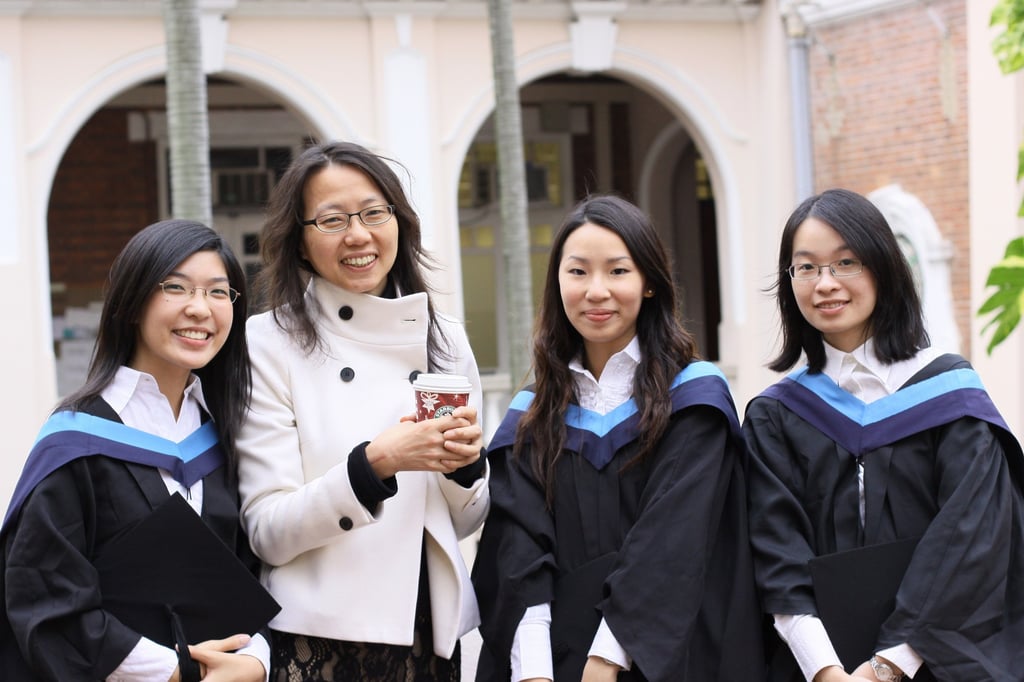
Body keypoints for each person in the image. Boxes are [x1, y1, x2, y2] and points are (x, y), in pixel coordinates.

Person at [472, 194, 765, 682]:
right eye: (578, 272)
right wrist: (535, 671)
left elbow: (672, 541)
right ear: (557, 283)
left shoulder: (693, 399)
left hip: (667, 660)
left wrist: (605, 661)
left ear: (649, 282)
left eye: (618, 271)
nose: (596, 291)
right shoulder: (532, 414)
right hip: (555, 660)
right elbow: (517, 551)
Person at [743, 188, 1024, 682]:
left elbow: (971, 539)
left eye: (845, 262)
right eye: (805, 267)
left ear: (883, 267)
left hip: (937, 662)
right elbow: (776, 553)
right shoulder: (776, 415)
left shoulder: (948, 395)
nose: (824, 283)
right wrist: (826, 670)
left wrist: (887, 667)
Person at [235, 141, 488, 681]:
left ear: (399, 222)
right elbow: (267, 531)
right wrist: (373, 465)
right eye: (331, 220)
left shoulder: (445, 342)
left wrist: (466, 468)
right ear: (300, 242)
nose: (358, 234)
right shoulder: (268, 342)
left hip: (426, 630)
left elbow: (465, 521)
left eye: (374, 213)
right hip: (319, 639)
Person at [0, 220, 274, 681]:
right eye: (176, 288)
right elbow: (45, 594)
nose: (199, 309)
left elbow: (260, 572)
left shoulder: (227, 436)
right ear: (132, 303)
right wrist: (175, 671)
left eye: (218, 292)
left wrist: (256, 660)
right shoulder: (75, 443)